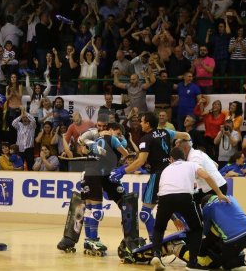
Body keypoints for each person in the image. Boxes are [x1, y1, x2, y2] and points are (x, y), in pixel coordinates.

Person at [110, 112, 191, 241]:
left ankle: (155, 243)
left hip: (158, 176)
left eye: (142, 121)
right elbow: (186, 135)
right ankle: (189, 233)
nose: (140, 124)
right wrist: (184, 148)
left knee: (145, 214)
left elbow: (140, 162)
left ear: (147, 124)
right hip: (172, 174)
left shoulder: (146, 139)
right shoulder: (166, 132)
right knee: (168, 204)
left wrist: (122, 171)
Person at [151, 147, 230, 271]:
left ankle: (156, 255)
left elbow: (161, 194)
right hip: (184, 197)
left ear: (171, 159)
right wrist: (219, 193)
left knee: (159, 228)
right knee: (197, 228)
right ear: (184, 157)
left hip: (164, 198)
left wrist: (173, 217)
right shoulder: (191, 164)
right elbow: (207, 177)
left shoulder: (165, 169)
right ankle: (192, 262)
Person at [77, 116, 129, 253]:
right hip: (96, 174)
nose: (119, 136)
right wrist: (118, 164)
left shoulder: (96, 139)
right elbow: (127, 154)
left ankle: (88, 241)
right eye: (118, 133)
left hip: (88, 173)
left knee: (89, 209)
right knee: (97, 210)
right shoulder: (113, 139)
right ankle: (93, 241)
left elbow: (82, 148)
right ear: (111, 130)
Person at [177, 139, 228, 205]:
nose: (179, 153)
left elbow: (199, 174)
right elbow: (216, 165)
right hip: (217, 185)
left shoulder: (194, 157)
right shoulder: (197, 152)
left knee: (192, 203)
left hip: (216, 188)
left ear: (185, 148)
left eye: (179, 151)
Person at [12, 106, 36, 171]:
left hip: (29, 149)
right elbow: (13, 123)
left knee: (30, 166)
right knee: (19, 166)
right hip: (19, 149)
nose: (24, 119)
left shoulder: (32, 126)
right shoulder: (19, 125)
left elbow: (33, 120)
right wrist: (21, 115)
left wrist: (25, 113)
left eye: (26, 118)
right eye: (23, 118)